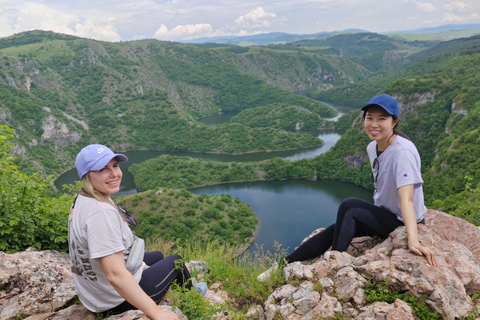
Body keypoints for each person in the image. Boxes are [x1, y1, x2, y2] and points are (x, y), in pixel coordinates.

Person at [284, 94, 438, 266]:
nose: (374, 124)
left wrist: (413, 239)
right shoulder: (373, 147)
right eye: (369, 118)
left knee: (349, 206)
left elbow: (406, 199)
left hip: (402, 222)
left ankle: (334, 262)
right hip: (386, 215)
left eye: (382, 119)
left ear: (394, 122)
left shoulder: (403, 153)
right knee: (335, 229)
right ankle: (284, 263)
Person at [68, 144, 207, 320]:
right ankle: (193, 296)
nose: (114, 174)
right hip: (115, 301)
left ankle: (174, 288)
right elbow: (115, 275)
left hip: (96, 293)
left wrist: (142, 267)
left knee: (157, 256)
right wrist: (156, 313)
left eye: (115, 166)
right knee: (176, 262)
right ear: (87, 175)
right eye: (103, 169)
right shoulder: (100, 213)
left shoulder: (83, 199)